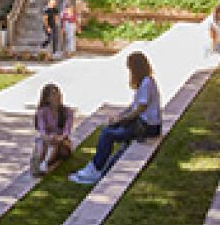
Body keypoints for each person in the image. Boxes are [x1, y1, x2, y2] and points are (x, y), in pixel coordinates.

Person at [69, 51, 162, 185]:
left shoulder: (147, 83)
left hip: (147, 128)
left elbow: (140, 109)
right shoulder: (145, 82)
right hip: (142, 124)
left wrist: (122, 120)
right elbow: (134, 106)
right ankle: (96, 165)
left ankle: (95, 170)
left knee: (108, 134)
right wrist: (119, 117)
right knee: (109, 128)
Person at [31, 83, 74, 176]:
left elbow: (67, 131)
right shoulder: (42, 112)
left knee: (56, 145)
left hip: (62, 141)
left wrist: (59, 138)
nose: (57, 97)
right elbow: (41, 129)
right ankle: (39, 161)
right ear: (47, 98)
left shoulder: (67, 111)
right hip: (46, 139)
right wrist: (48, 137)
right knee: (42, 145)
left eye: (58, 93)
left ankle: (45, 163)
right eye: (53, 94)